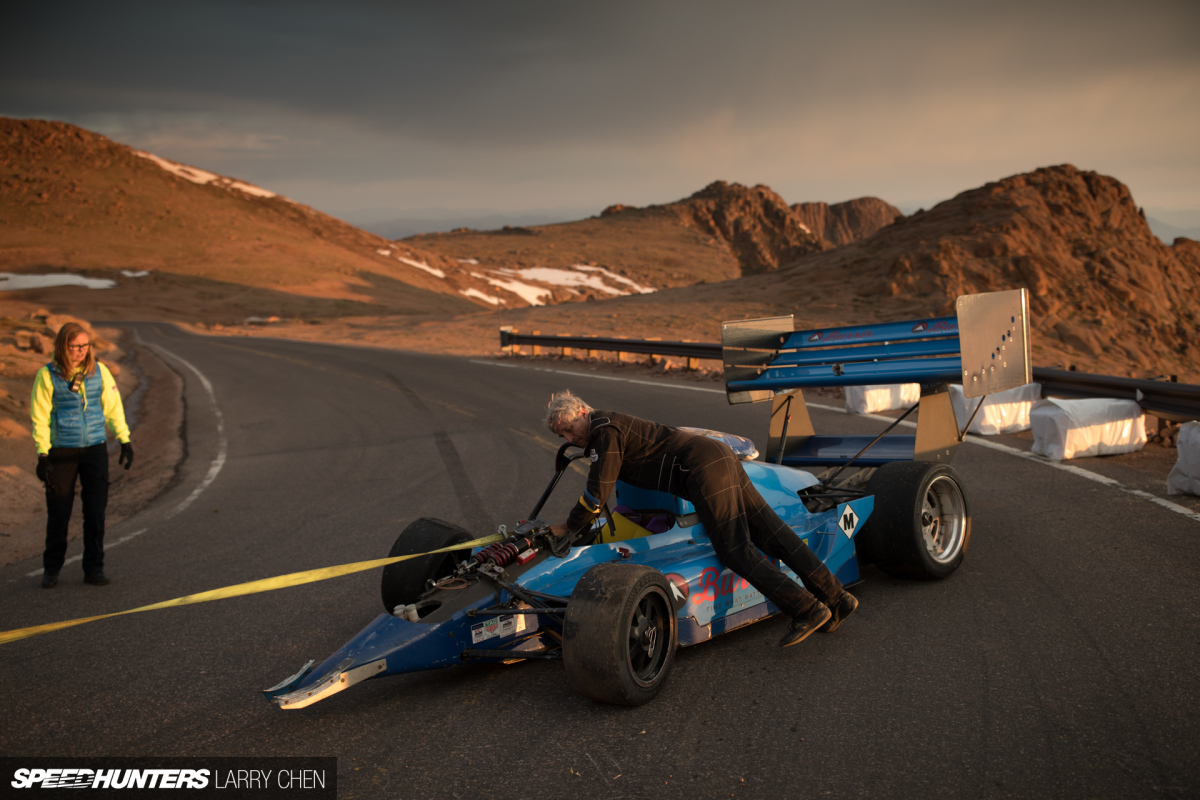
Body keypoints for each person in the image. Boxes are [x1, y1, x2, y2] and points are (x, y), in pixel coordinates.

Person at [545, 390, 857, 648]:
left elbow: (596, 496)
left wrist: (569, 526)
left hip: (702, 467)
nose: (569, 438)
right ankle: (837, 598)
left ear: (584, 412)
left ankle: (807, 609)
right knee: (772, 534)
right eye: (562, 435)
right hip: (717, 456)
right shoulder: (608, 424)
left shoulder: (604, 432)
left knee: (735, 550)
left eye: (570, 428)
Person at [30, 322, 134, 588]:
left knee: (95, 511)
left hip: (95, 450)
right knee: (59, 511)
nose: (81, 350)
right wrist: (43, 454)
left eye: (85, 345)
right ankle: (51, 569)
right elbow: (39, 417)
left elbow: (113, 408)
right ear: (63, 346)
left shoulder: (100, 371)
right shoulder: (47, 375)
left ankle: (94, 568)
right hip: (61, 451)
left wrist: (124, 439)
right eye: (75, 346)